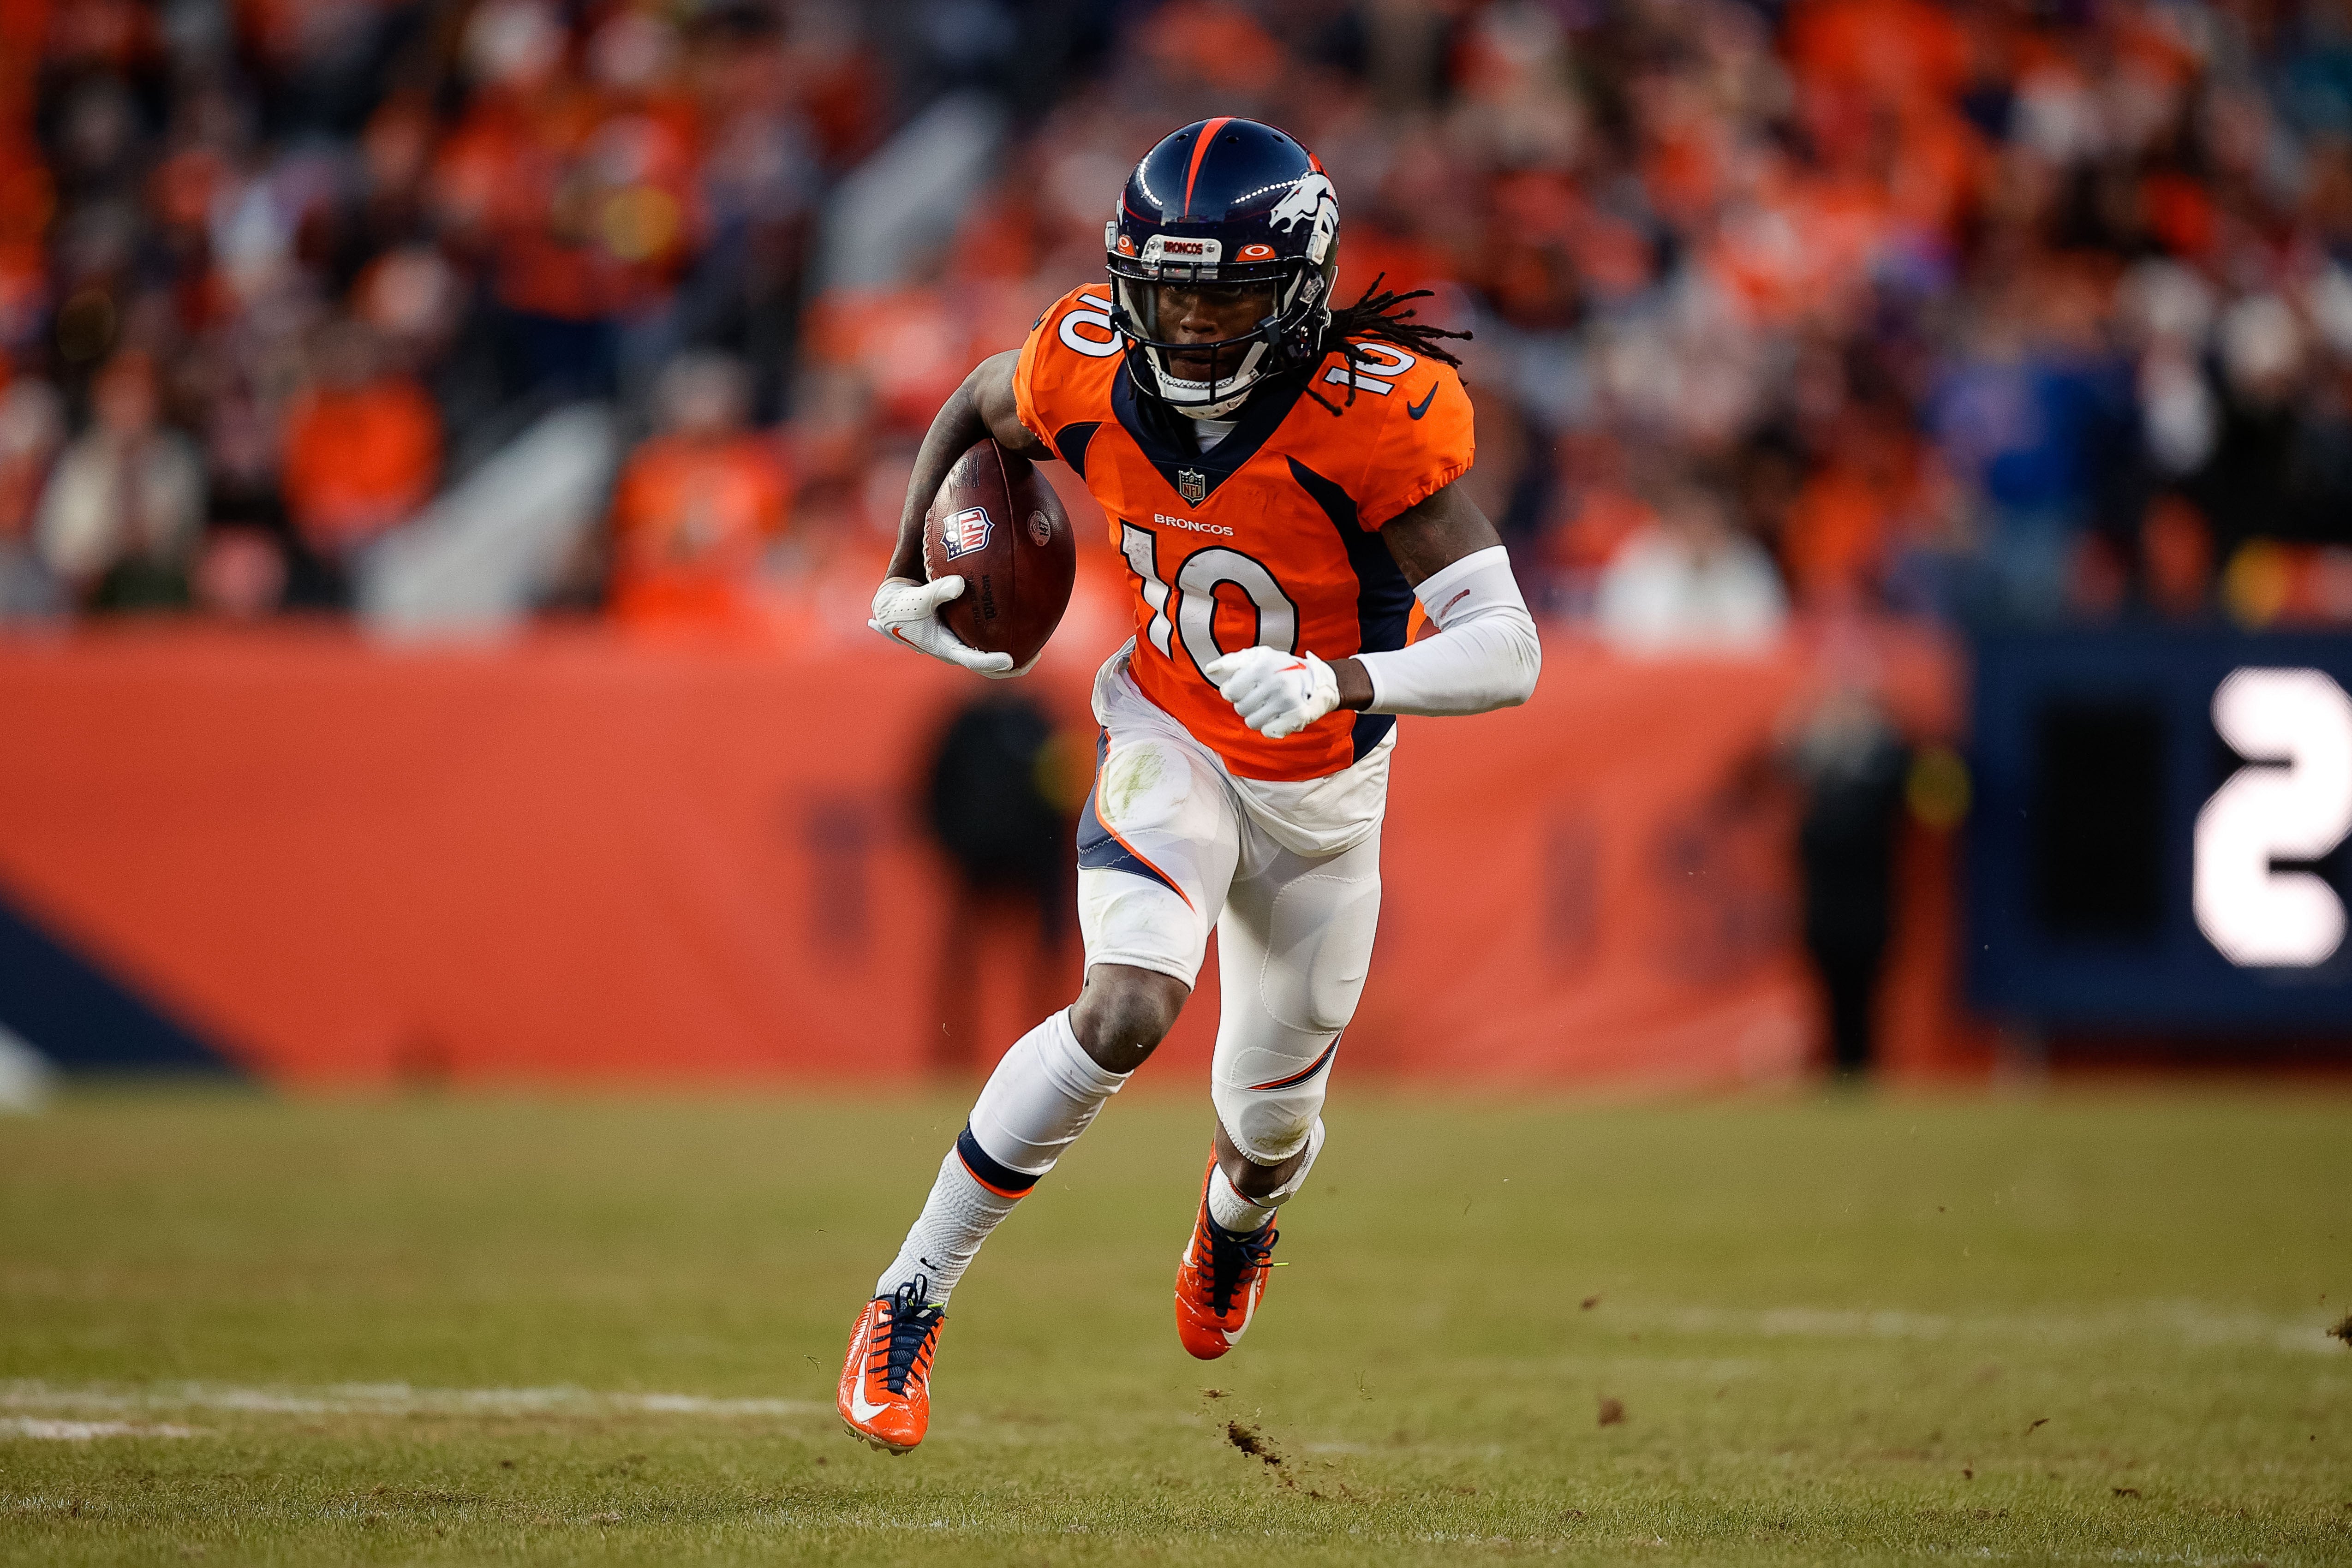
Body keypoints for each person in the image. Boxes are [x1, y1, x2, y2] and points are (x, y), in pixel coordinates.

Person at [839, 118, 1543, 1454]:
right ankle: (909, 1294)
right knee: (1125, 1004)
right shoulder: (1092, 367)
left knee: (1270, 1125)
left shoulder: (1371, 416)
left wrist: (1346, 681)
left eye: (1224, 293)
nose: (1189, 323)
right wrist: (900, 557)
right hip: (1169, 728)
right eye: (1163, 291)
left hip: (1326, 798)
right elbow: (983, 397)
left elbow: (1509, 650)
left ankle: (1236, 1227)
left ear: (1298, 292)